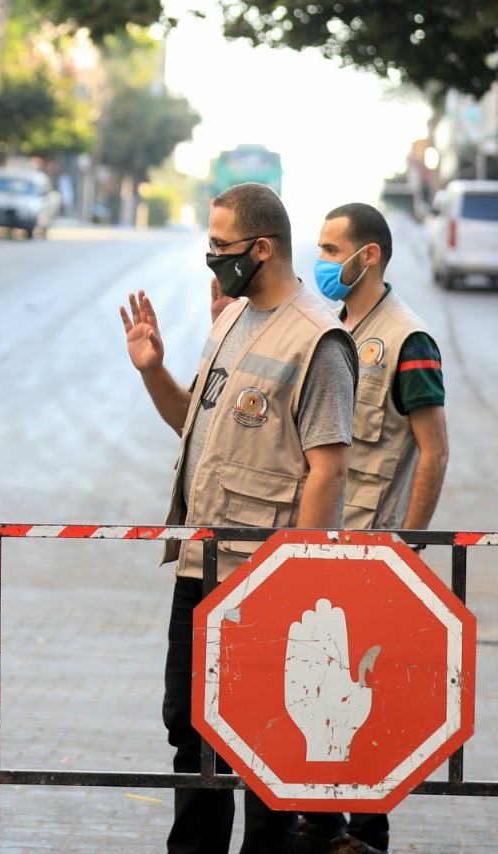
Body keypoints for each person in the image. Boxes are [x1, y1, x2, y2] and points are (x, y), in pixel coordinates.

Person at [120, 182, 358, 854]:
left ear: (262, 247)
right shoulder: (229, 319)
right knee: (192, 737)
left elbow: (329, 470)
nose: (212, 260)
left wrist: (294, 586)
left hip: (261, 583)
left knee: (264, 746)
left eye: (221, 248)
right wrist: (153, 371)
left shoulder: (320, 341)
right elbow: (192, 426)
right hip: (200, 568)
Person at [293, 203, 449, 854]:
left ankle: (369, 834)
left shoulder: (409, 339)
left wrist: (406, 547)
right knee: (317, 695)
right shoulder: (330, 326)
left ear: (370, 256)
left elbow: (434, 450)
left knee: (365, 700)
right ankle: (324, 826)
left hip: (372, 553)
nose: (324, 262)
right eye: (322, 250)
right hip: (321, 549)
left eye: (334, 250)